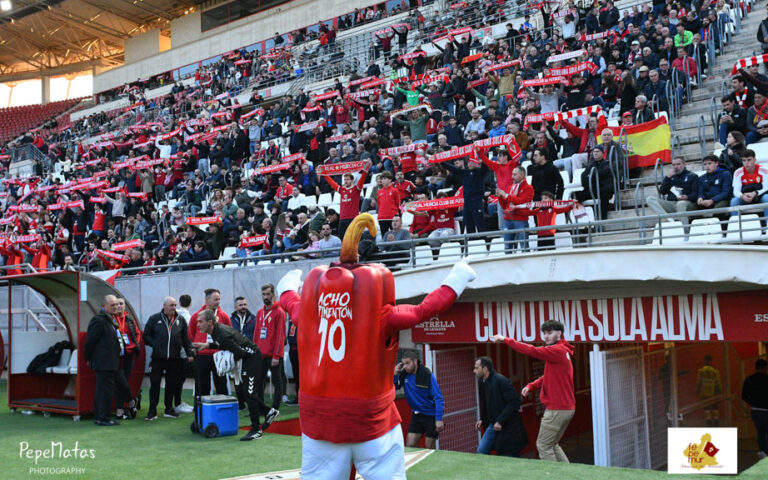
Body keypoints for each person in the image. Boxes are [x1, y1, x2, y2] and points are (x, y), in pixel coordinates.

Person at [275, 214, 476, 479]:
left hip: (319, 420)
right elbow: (424, 310)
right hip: (370, 419)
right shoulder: (381, 314)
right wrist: (457, 278)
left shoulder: (309, 311)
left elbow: (289, 300)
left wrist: (288, 283)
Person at [491, 319, 575, 462]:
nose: (546, 336)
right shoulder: (563, 350)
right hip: (566, 408)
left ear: (559, 333)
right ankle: (567, 472)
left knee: (543, 445)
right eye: (544, 333)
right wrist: (531, 386)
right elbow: (548, 376)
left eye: (550, 333)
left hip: (557, 408)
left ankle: (553, 474)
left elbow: (531, 350)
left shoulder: (556, 350)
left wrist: (505, 339)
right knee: (552, 445)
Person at [193, 309, 278, 441]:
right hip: (247, 359)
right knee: (246, 393)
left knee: (249, 393)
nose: (198, 325)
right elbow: (225, 344)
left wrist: (227, 363)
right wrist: (208, 345)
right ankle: (269, 412)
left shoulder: (221, 333)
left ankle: (256, 430)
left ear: (210, 322)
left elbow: (239, 352)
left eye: (200, 321)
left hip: (252, 359)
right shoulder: (216, 331)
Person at [142, 296, 195, 421]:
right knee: (155, 385)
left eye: (175, 305)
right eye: (171, 305)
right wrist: (155, 344)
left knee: (171, 385)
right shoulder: (154, 318)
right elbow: (146, 336)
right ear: (164, 306)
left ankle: (169, 409)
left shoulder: (180, 320)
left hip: (174, 359)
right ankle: (152, 411)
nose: (173, 308)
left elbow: (185, 339)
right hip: (157, 359)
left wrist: (190, 353)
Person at [83, 295, 132, 426]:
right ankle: (102, 417)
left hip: (110, 362)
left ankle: (100, 416)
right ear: (104, 306)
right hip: (104, 363)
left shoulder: (110, 320)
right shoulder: (99, 321)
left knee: (104, 390)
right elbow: (90, 342)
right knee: (105, 390)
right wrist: (88, 358)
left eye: (117, 304)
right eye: (112, 305)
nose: (116, 307)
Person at [473, 356, 528, 457]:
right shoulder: (482, 382)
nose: (474, 371)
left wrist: (500, 421)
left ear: (485, 369)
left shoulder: (501, 381)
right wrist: (482, 419)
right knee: (481, 451)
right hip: (493, 425)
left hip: (508, 427)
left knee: (509, 456)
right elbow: (486, 404)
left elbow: (514, 402)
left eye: (477, 368)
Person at [394, 349, 444, 449]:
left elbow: (438, 398)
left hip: (431, 416)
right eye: (403, 364)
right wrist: (395, 374)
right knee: (410, 445)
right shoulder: (403, 374)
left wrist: (439, 419)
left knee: (429, 446)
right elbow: (393, 387)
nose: (405, 366)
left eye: (408, 363)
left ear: (415, 361)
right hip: (417, 415)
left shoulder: (427, 375)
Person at [188, 288, 232, 396]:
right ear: (207, 300)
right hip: (202, 355)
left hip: (219, 355)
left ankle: (222, 406)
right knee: (202, 387)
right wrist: (197, 346)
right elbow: (191, 334)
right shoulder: (196, 316)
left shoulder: (223, 316)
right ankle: (200, 407)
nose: (218, 302)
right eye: (215, 299)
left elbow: (229, 334)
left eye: (219, 299)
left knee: (221, 385)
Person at [254, 284, 286, 416]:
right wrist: (254, 352)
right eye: (264, 294)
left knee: (277, 381)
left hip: (273, 355)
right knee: (259, 381)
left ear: (273, 295)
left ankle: (275, 408)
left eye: (268, 294)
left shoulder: (279, 312)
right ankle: (261, 408)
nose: (266, 297)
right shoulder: (260, 313)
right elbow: (256, 334)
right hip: (260, 354)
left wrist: (276, 355)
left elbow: (280, 336)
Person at [325, 161, 371, 237]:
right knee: (342, 238)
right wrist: (324, 175)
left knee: (353, 237)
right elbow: (332, 183)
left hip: (353, 218)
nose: (346, 181)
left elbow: (362, 179)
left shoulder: (356, 189)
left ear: (352, 180)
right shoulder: (342, 190)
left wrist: (365, 171)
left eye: (347, 179)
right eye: (345, 179)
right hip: (342, 218)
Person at [645, 156, 698, 222]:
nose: (676, 167)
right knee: (650, 199)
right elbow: (663, 192)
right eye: (673, 165)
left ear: (684, 164)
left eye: (678, 164)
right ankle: (667, 219)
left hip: (688, 203)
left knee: (681, 204)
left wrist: (687, 197)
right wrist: (667, 178)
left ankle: (684, 228)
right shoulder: (671, 176)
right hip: (673, 203)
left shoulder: (692, 176)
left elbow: (696, 194)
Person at [114, 298, 141, 420]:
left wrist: (134, 345)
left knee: (123, 381)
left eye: (121, 304)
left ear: (124, 306)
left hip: (129, 354)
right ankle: (131, 401)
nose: (119, 306)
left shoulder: (129, 320)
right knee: (120, 381)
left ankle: (120, 409)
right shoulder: (111, 319)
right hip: (116, 355)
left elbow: (137, 334)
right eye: (117, 304)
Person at [231, 296, 257, 410]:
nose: (243, 307)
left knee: (248, 378)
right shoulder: (231, 319)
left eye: (245, 304)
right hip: (236, 353)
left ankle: (250, 401)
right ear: (235, 307)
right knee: (237, 378)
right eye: (240, 305)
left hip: (249, 354)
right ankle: (241, 403)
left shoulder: (253, 319)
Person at [741, 358, 768, 459]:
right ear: (764, 367)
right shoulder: (766, 379)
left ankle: (762, 451)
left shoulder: (749, 379)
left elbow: (744, 395)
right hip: (766, 410)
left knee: (760, 432)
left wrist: (752, 403)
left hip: (755, 410)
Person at [730, 149, 768, 219]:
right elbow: (736, 191)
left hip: (760, 195)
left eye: (749, 160)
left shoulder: (764, 170)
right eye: (744, 160)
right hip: (745, 196)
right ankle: (735, 224)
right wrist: (742, 196)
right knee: (734, 201)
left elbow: (766, 188)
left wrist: (755, 193)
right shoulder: (738, 172)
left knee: (767, 198)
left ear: (755, 160)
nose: (746, 163)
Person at [174, 294, 194, 414]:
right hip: (182, 353)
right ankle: (177, 403)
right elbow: (188, 337)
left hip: (176, 352)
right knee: (179, 379)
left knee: (178, 379)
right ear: (190, 303)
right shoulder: (187, 317)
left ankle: (178, 402)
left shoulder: (176, 315)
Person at [696, 355, 722, 427]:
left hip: (704, 393)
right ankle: (716, 422)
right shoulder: (714, 371)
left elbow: (699, 382)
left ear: (705, 360)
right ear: (711, 361)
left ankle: (709, 423)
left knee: (706, 409)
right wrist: (719, 392)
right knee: (715, 408)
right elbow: (718, 383)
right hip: (714, 392)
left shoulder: (701, 371)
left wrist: (697, 391)